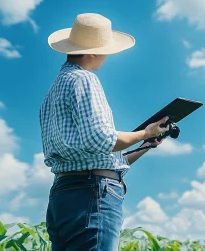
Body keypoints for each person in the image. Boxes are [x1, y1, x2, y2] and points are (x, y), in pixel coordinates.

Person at [39, 13, 169, 250]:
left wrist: (146, 145)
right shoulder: (85, 79)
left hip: (62, 196)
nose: (107, 56)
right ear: (92, 52)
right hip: (92, 195)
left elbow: (97, 156)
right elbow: (102, 139)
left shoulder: (50, 96)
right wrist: (145, 133)